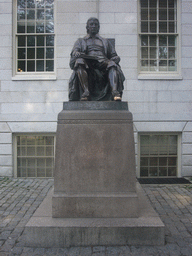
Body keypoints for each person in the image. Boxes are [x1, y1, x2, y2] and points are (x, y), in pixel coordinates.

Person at [69, 17, 125, 101]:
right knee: (79, 61)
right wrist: (76, 53)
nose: (93, 26)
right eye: (91, 24)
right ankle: (86, 92)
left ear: (98, 27)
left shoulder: (105, 41)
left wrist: (116, 58)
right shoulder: (80, 41)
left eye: (96, 24)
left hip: (103, 62)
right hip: (88, 63)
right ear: (87, 27)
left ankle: (114, 92)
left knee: (112, 64)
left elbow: (113, 55)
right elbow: (75, 51)